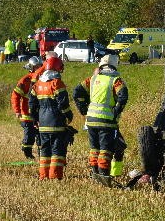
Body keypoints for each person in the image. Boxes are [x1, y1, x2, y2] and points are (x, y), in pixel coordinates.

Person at [72, 54, 128, 186]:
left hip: (91, 120)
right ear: (114, 65)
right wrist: (116, 111)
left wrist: (84, 109)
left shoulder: (92, 79)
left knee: (94, 148)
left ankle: (94, 172)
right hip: (106, 121)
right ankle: (103, 175)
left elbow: (77, 92)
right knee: (105, 150)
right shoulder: (116, 80)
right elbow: (123, 96)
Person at [29, 56, 73, 180]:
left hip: (42, 124)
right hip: (56, 123)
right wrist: (69, 116)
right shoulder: (57, 83)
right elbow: (63, 104)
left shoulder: (38, 84)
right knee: (57, 151)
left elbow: (32, 104)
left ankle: (43, 175)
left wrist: (34, 119)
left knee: (45, 151)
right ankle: (55, 176)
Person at [11, 56, 43, 159]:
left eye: (40, 66)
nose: (39, 69)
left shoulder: (44, 78)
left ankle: (42, 154)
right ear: (31, 67)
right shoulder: (25, 80)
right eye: (36, 67)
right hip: (26, 113)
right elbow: (15, 95)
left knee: (40, 135)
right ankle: (27, 153)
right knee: (29, 135)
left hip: (39, 113)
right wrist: (17, 110)